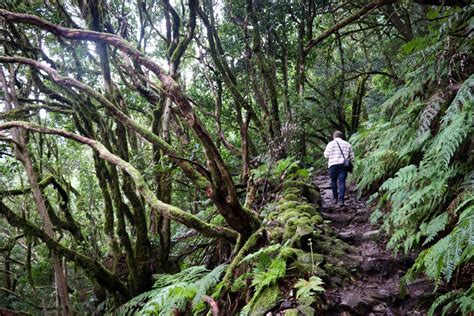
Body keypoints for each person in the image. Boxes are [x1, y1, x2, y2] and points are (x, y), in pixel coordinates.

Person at [323, 131, 355, 207]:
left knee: (333, 181)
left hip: (333, 165)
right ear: (342, 136)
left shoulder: (330, 144)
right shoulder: (347, 144)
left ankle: (335, 198)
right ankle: (341, 201)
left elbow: (326, 156)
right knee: (342, 182)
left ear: (334, 137)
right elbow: (352, 157)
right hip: (343, 165)